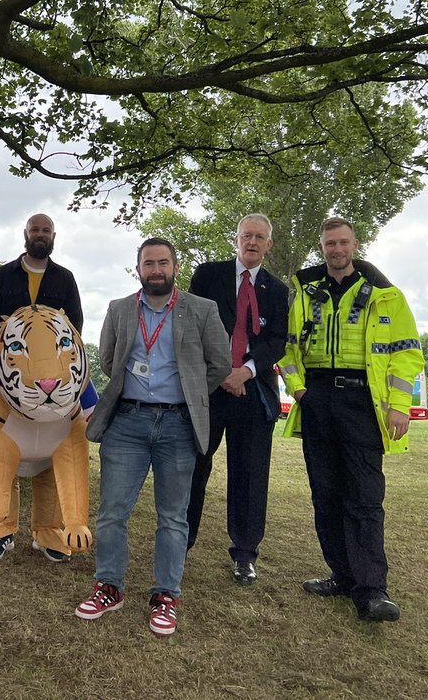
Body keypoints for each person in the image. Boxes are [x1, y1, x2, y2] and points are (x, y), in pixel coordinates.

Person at [73, 238, 230, 637]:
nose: (156, 270)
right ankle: (109, 587)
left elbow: (220, 364)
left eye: (163, 263)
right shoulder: (120, 310)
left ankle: (166, 596)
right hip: (127, 422)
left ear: (174, 266)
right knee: (112, 512)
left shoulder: (202, 309)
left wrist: (187, 388)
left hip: (179, 424)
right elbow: (108, 360)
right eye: (148, 264)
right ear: (138, 268)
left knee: (173, 517)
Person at [280, 216, 424, 623]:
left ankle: (372, 589)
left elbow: (407, 352)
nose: (337, 250)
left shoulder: (385, 295)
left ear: (355, 245)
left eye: (343, 243)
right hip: (318, 399)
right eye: (330, 244)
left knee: (363, 495)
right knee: (325, 494)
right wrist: (300, 390)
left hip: (364, 401)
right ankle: (341, 576)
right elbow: (286, 348)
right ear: (322, 247)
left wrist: (400, 404)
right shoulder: (305, 293)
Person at [185, 213, 289, 585]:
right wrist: (222, 372)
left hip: (253, 391)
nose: (252, 242)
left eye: (260, 237)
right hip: (209, 390)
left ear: (268, 245)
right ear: (236, 239)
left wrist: (244, 371)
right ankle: (182, 542)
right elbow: (192, 326)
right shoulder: (207, 275)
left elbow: (277, 341)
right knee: (194, 466)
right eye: (247, 235)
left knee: (250, 475)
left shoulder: (277, 291)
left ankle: (245, 553)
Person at [0, 212, 85, 562]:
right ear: (25, 234)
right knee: (0, 456)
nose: (40, 235)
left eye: (46, 230)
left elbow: (75, 329)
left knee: (52, 459)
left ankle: (48, 533)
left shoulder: (66, 279)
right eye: (34, 229)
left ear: (53, 236)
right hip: (9, 387)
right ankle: (1, 529)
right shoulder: (1, 276)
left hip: (53, 388)